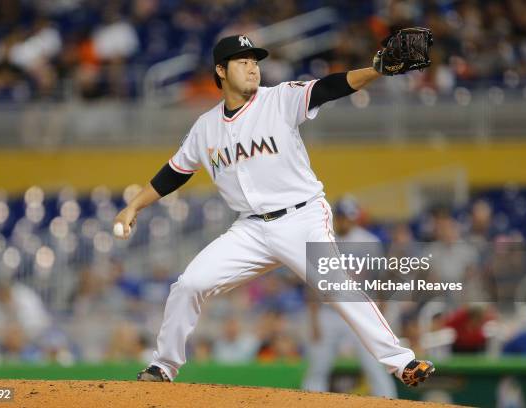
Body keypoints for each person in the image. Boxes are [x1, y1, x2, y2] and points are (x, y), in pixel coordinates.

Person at [114, 34, 434, 387]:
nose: (253, 67)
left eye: (255, 60)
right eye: (243, 61)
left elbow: (329, 87)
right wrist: (133, 206)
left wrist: (375, 70)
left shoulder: (279, 98)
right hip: (250, 229)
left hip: (302, 217)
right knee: (188, 284)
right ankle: (163, 367)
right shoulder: (205, 127)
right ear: (221, 70)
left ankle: (401, 361)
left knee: (336, 284)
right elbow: (174, 172)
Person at [302, 196, 397, 397]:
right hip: (329, 311)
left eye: (349, 216)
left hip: (359, 309)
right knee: (318, 366)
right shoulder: (324, 239)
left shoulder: (369, 241)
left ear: (355, 218)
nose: (346, 220)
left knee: (374, 365)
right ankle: (309, 402)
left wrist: (380, 317)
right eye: (343, 216)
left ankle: (390, 402)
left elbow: (380, 280)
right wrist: (313, 320)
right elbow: (312, 284)